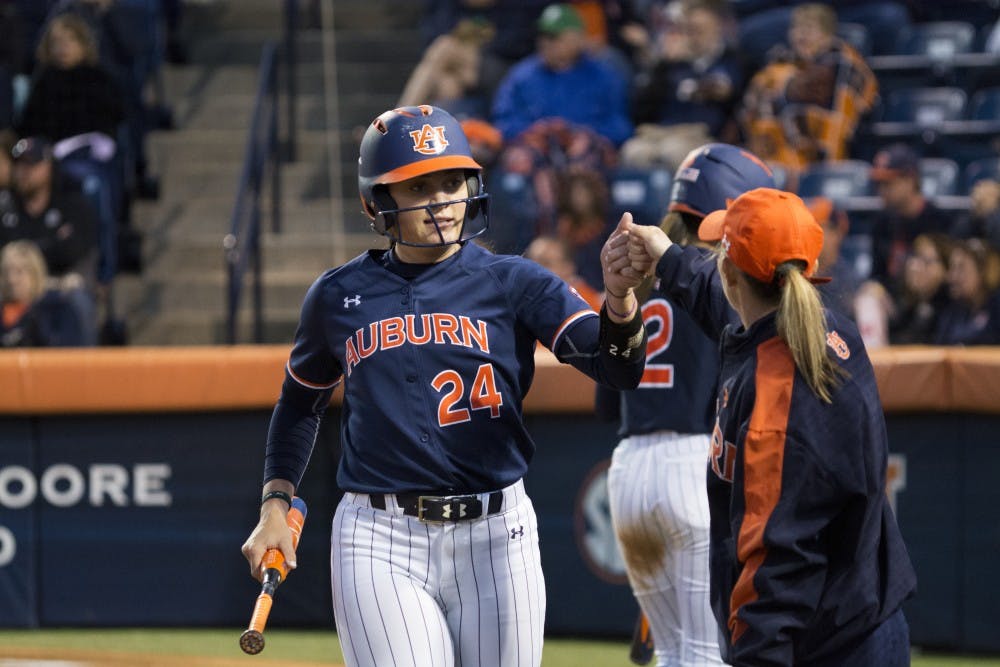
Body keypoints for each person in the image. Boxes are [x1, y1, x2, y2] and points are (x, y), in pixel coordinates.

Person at [240, 104, 649, 667]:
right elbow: (298, 407)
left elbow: (618, 368)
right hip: (379, 536)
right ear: (375, 202)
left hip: (496, 531)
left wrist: (621, 301)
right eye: (419, 186)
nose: (441, 200)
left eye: (452, 181)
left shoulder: (515, 281)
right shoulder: (337, 296)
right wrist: (273, 503)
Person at [615, 187, 917, 665]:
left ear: (732, 272)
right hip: (862, 621)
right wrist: (668, 258)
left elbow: (776, 563)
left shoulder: (773, 400)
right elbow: (726, 304)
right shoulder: (830, 329)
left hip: (814, 644)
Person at [597, 143, 774, 667]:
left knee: (675, 653)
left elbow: (606, 397)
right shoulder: (722, 274)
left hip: (628, 471)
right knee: (707, 652)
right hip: (694, 465)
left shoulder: (635, 272)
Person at [737, 3, 878, 178]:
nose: (801, 35)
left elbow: (832, 107)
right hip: (775, 158)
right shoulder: (777, 65)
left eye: (809, 28)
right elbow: (751, 108)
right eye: (797, 28)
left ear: (827, 35)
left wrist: (785, 89)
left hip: (827, 160)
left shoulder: (842, 63)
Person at [621, 0, 745, 171]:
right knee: (634, 152)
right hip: (659, 133)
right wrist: (662, 66)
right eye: (688, 30)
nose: (694, 37)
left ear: (717, 26)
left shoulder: (729, 59)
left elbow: (727, 91)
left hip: (700, 134)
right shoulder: (670, 64)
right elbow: (641, 109)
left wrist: (697, 83)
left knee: (673, 152)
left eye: (699, 29)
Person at [490, 3, 633, 147]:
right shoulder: (521, 76)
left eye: (554, 37)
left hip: (584, 153)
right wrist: (536, 132)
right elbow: (503, 123)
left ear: (577, 38)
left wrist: (580, 133)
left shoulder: (604, 77)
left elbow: (620, 128)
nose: (545, 43)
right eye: (542, 35)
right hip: (537, 152)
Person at [868, 143, 950, 288]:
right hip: (893, 299)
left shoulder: (940, 221)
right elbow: (878, 274)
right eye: (879, 184)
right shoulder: (882, 222)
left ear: (910, 180)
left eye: (888, 183)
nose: (881, 191)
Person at [1, 238, 87, 346]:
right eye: (6, 272)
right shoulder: (3, 311)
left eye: (19, 272)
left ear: (35, 273)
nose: (12, 280)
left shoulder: (57, 309)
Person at [935, 237, 1000, 346]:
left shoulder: (996, 309)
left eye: (961, 268)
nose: (952, 277)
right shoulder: (952, 311)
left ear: (983, 271)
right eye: (952, 268)